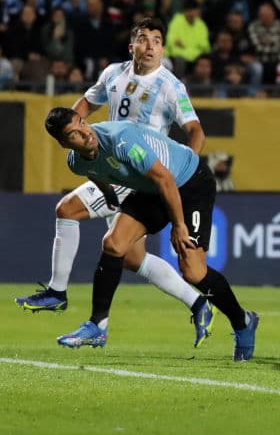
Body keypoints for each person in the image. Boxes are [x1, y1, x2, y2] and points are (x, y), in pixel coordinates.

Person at [15, 19, 216, 347]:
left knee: (67, 210)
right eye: (143, 39)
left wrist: (187, 172)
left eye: (156, 40)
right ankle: (198, 303)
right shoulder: (112, 74)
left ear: (163, 48)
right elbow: (83, 105)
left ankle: (57, 292)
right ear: (132, 46)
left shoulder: (170, 85)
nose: (149, 46)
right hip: (110, 162)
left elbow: (196, 130)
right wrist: (70, 130)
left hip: (138, 169)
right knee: (132, 258)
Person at [44, 110, 258, 361]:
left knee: (193, 272)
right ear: (63, 143)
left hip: (190, 182)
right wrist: (108, 194)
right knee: (113, 244)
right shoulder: (76, 162)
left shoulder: (120, 140)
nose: (85, 133)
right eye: (74, 134)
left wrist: (179, 226)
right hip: (152, 189)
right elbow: (95, 171)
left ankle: (243, 322)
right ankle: (97, 326)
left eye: (82, 123)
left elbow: (165, 178)